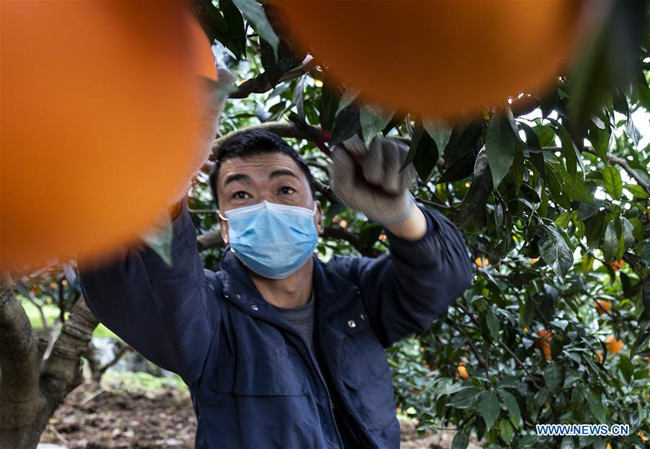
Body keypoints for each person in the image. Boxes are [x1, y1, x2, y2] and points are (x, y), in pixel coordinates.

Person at [78, 84, 473, 449]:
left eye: (284, 189)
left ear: (317, 216)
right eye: (241, 193)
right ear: (224, 227)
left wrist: (402, 213)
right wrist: (162, 189)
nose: (265, 206)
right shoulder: (210, 313)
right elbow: (121, 286)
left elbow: (443, 280)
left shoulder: (355, 293)